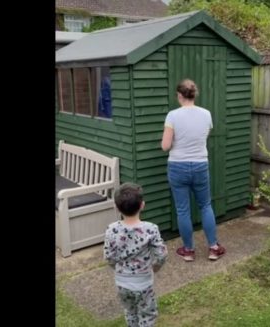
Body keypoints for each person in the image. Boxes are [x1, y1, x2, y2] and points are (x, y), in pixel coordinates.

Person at [161, 79, 226, 262]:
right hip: (200, 165)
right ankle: (213, 248)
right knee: (205, 205)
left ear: (179, 95)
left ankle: (188, 251)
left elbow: (166, 146)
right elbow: (204, 136)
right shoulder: (206, 114)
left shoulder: (172, 116)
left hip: (177, 166)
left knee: (183, 210)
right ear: (194, 94)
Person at [103, 182, 168, 327]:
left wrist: (118, 269)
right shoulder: (151, 229)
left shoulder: (111, 230)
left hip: (121, 282)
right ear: (142, 205)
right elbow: (161, 255)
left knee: (130, 312)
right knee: (147, 314)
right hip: (143, 282)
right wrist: (155, 268)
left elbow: (109, 256)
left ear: (116, 207)